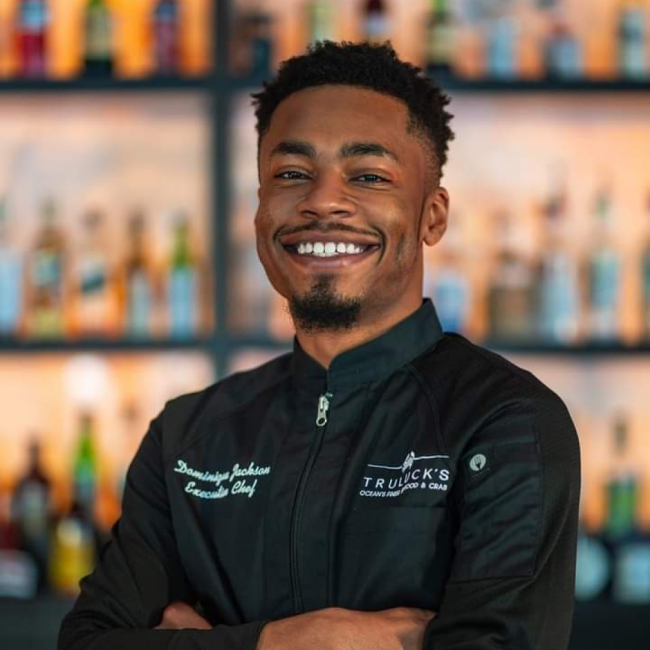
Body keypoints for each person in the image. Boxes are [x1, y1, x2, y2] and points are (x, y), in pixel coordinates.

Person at [58, 41, 581, 650]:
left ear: (432, 216)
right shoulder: (187, 436)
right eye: (291, 174)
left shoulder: (505, 422)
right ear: (259, 213)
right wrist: (297, 640)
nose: (323, 200)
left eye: (368, 176)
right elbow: (86, 643)